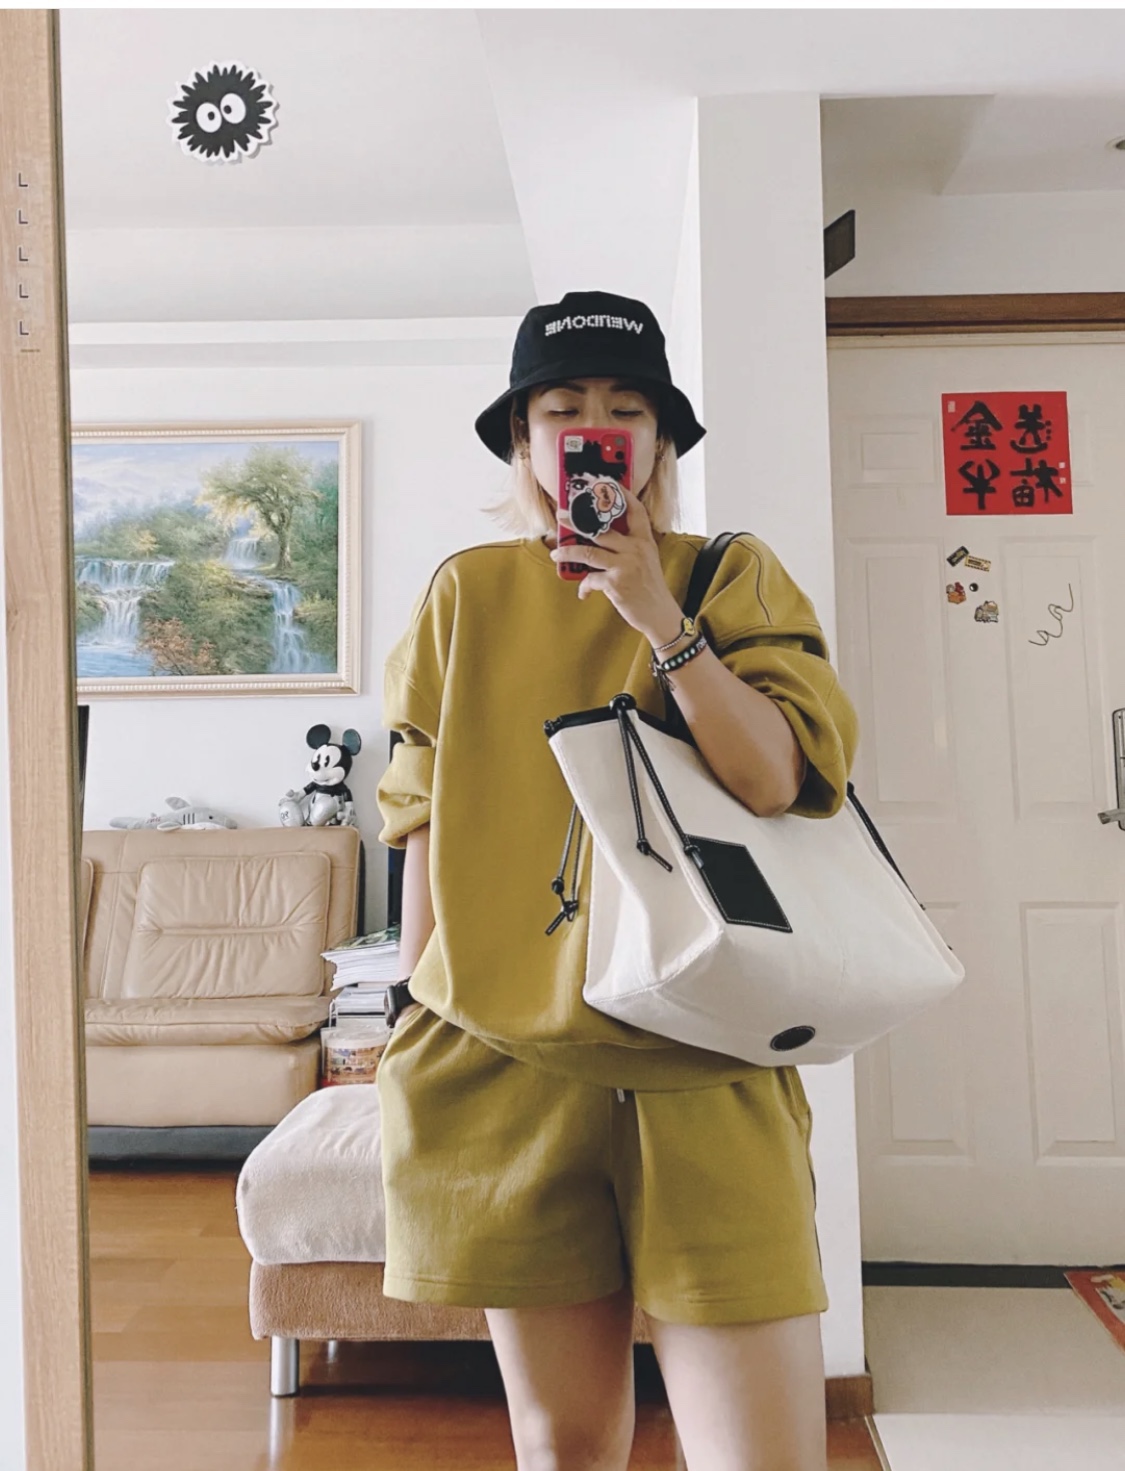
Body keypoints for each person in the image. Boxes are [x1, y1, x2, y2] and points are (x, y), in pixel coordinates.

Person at [375, 290, 859, 1471]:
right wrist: (414, 1006)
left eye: (625, 408)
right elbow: (420, 811)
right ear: (525, 439)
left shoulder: (728, 576)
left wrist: (657, 616)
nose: (594, 428)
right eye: (563, 407)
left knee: (763, 1456)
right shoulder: (466, 594)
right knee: (565, 1445)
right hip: (502, 1068)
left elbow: (778, 776)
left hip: (707, 1065)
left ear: (658, 442)